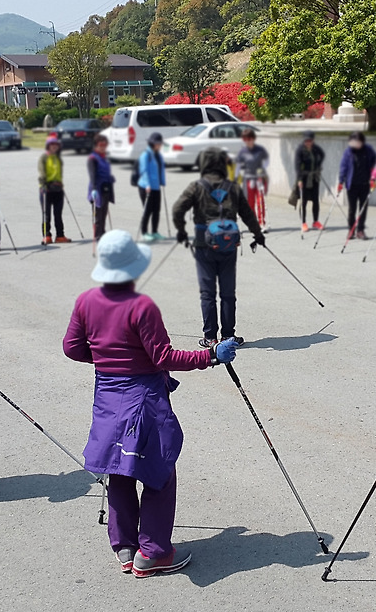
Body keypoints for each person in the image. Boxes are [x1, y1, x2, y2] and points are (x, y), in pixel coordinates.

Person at [62, 230, 240, 578]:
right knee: (159, 471)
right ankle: (154, 552)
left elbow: (72, 347)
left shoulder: (86, 301)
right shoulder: (141, 306)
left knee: (119, 468)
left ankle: (125, 548)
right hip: (143, 399)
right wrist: (210, 356)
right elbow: (163, 357)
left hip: (108, 398)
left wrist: (106, 359)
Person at [171, 147, 265, 348]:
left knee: (207, 293)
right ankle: (228, 336)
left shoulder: (196, 187)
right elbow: (247, 214)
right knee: (228, 293)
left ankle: (210, 337)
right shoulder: (233, 188)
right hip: (228, 246)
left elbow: (178, 209)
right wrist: (258, 235)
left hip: (203, 244)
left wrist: (181, 231)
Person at [337, 132, 376, 240]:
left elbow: (374, 158)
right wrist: (341, 181)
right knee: (352, 209)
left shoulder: (368, 150)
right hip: (352, 185)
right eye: (353, 142)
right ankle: (351, 230)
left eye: (357, 142)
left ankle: (360, 230)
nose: (355, 144)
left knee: (363, 208)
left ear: (362, 141)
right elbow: (343, 166)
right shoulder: (348, 152)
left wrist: (372, 172)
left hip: (365, 184)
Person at [235, 128, 270, 230]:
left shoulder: (260, 150)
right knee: (249, 203)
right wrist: (236, 177)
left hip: (259, 178)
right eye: (245, 139)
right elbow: (238, 165)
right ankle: (253, 223)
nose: (248, 141)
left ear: (253, 139)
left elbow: (266, 160)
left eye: (249, 139)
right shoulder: (242, 152)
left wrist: (262, 168)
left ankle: (262, 223)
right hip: (248, 179)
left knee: (260, 201)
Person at [38, 135, 70, 244]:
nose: (54, 146)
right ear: (48, 146)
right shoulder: (44, 158)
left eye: (56, 144)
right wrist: (44, 182)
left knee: (58, 214)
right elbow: (42, 171)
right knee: (46, 214)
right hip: (46, 189)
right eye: (52, 144)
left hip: (58, 189)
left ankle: (60, 235)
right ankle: (47, 236)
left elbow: (59, 173)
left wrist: (60, 183)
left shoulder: (58, 158)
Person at [137, 132, 167, 242]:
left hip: (156, 186)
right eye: (158, 143)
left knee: (156, 210)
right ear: (153, 143)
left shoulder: (158, 155)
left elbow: (161, 169)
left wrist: (162, 181)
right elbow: (144, 171)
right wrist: (147, 185)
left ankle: (155, 231)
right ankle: (144, 232)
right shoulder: (146, 155)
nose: (160, 145)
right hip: (146, 187)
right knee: (147, 210)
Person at [294, 131, 325, 233]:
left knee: (315, 200)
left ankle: (315, 221)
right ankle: (303, 223)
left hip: (314, 177)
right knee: (304, 201)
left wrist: (318, 166)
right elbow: (297, 166)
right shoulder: (300, 150)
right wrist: (299, 179)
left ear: (313, 140)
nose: (308, 142)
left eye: (310, 140)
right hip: (304, 178)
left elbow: (322, 154)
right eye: (306, 140)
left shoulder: (315, 148)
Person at [89, 134, 116, 241]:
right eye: (101, 145)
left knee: (104, 212)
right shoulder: (93, 158)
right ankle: (97, 234)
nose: (103, 147)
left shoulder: (104, 157)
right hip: (97, 189)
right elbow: (92, 175)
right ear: (96, 145)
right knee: (98, 213)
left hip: (106, 188)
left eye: (105, 145)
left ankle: (102, 232)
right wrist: (94, 188)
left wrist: (110, 178)